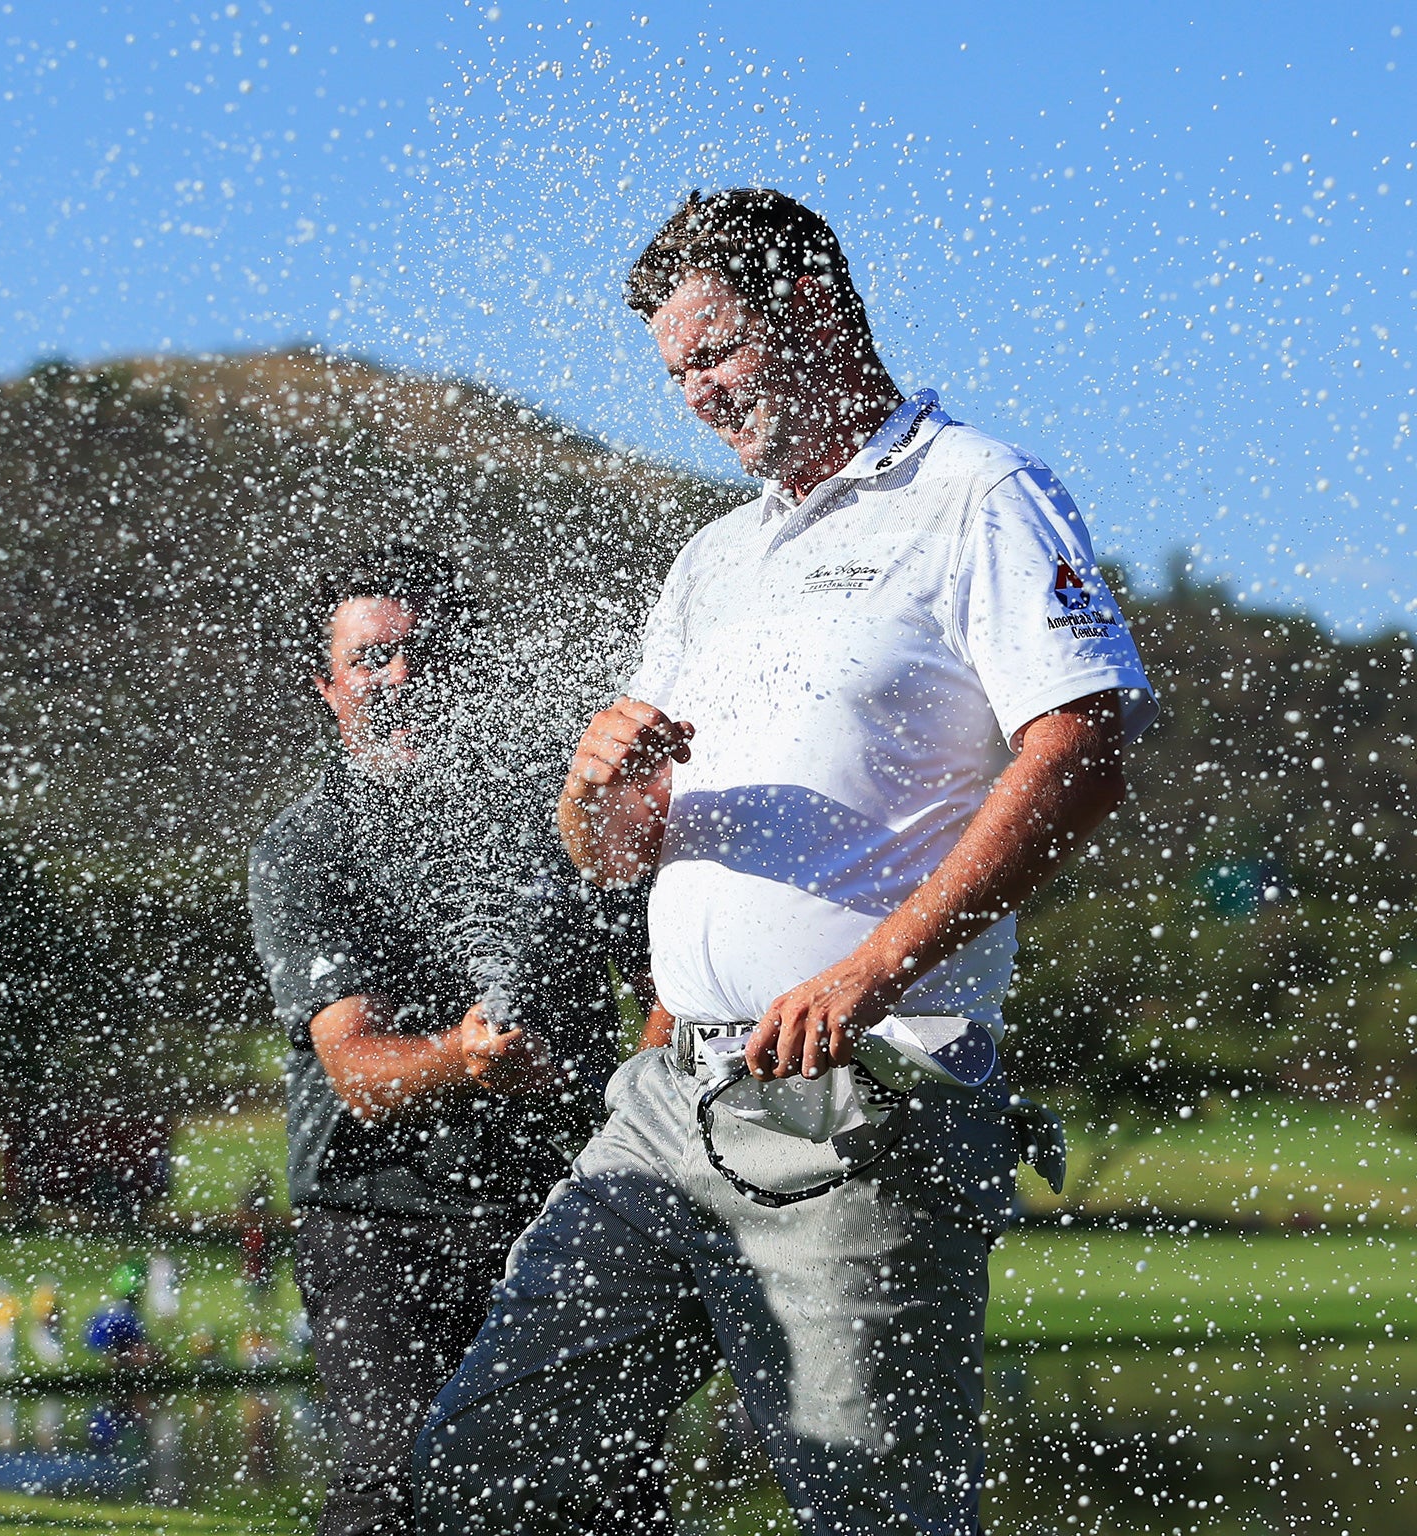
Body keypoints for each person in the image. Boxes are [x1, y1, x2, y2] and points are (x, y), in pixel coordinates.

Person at [415, 187, 1156, 1535]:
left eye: (713, 352)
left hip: (861, 1105)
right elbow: (615, 857)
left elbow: (1078, 752)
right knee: (486, 1458)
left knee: (873, 1516)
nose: (694, 392)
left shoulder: (976, 492)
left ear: (812, 309)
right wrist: (594, 791)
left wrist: (867, 973)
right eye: (674, 372)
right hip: (669, 1099)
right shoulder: (716, 555)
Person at [249, 544, 650, 1536]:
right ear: (327, 687)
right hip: (379, 1217)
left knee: (604, 1492)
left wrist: (642, 1111)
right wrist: (462, 1059)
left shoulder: (559, 817)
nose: (401, 677)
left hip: (564, 1199)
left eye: (425, 656)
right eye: (370, 659)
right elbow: (357, 1071)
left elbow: (667, 984)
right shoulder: (307, 845)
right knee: (396, 1489)